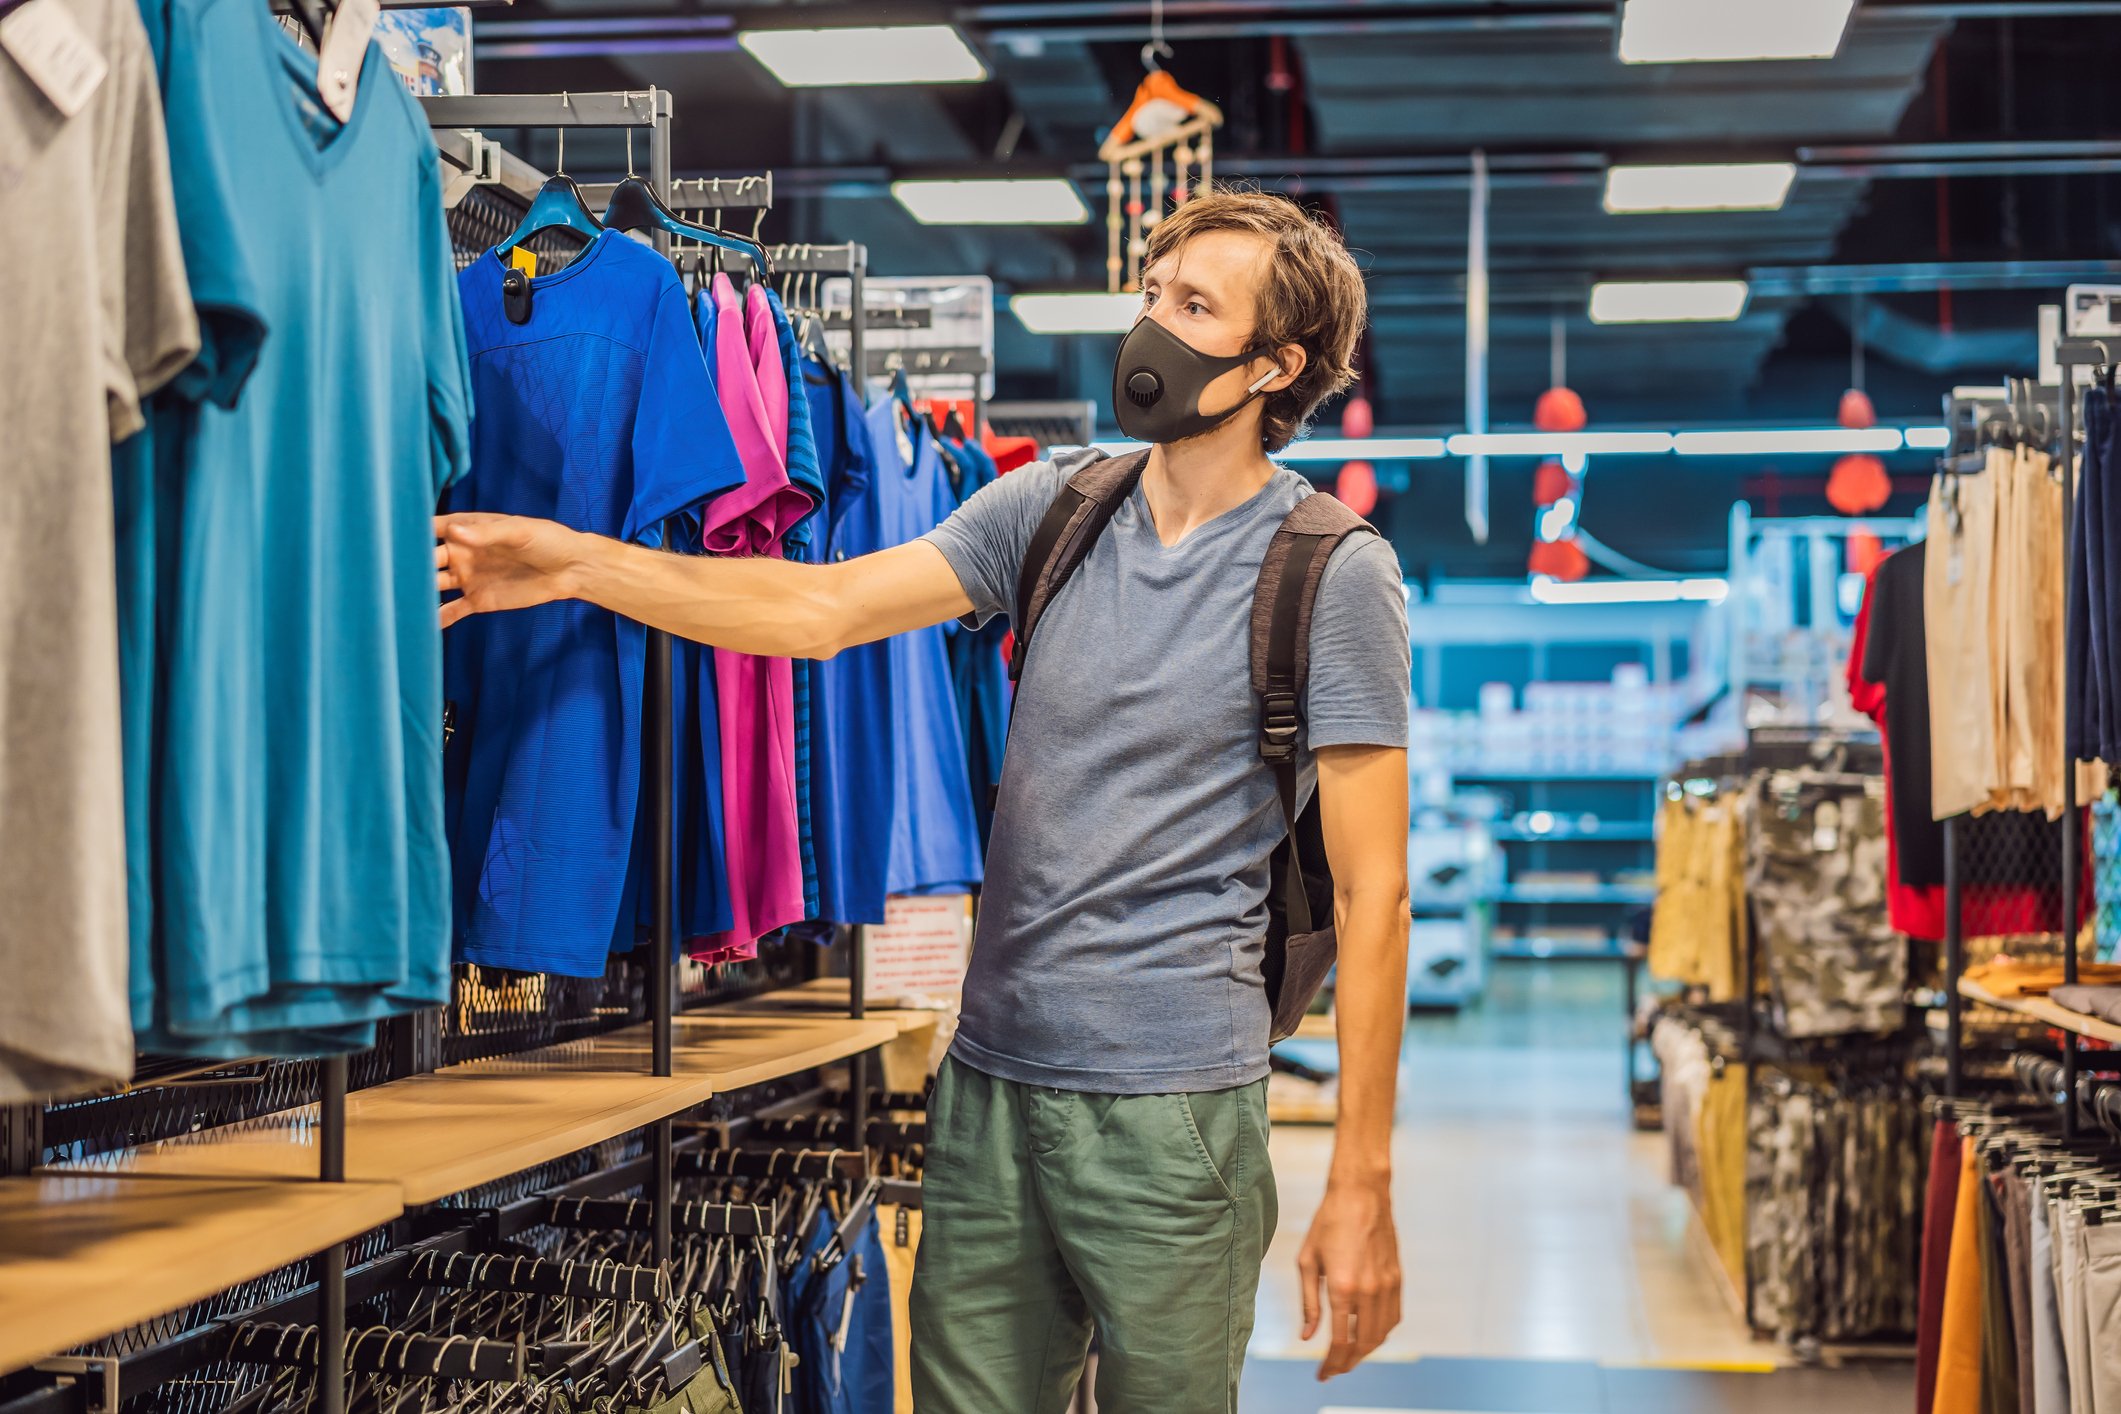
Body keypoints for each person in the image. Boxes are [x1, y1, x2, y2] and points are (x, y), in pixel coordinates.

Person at [435, 188, 1412, 1411]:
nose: (1151, 326)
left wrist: (1361, 1179)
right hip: (992, 1085)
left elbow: (1377, 895)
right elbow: (817, 609)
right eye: (1152, 294)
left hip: (1176, 1120)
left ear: (1274, 365)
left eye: (1194, 306)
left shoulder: (1333, 573)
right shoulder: (1055, 508)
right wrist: (575, 560)